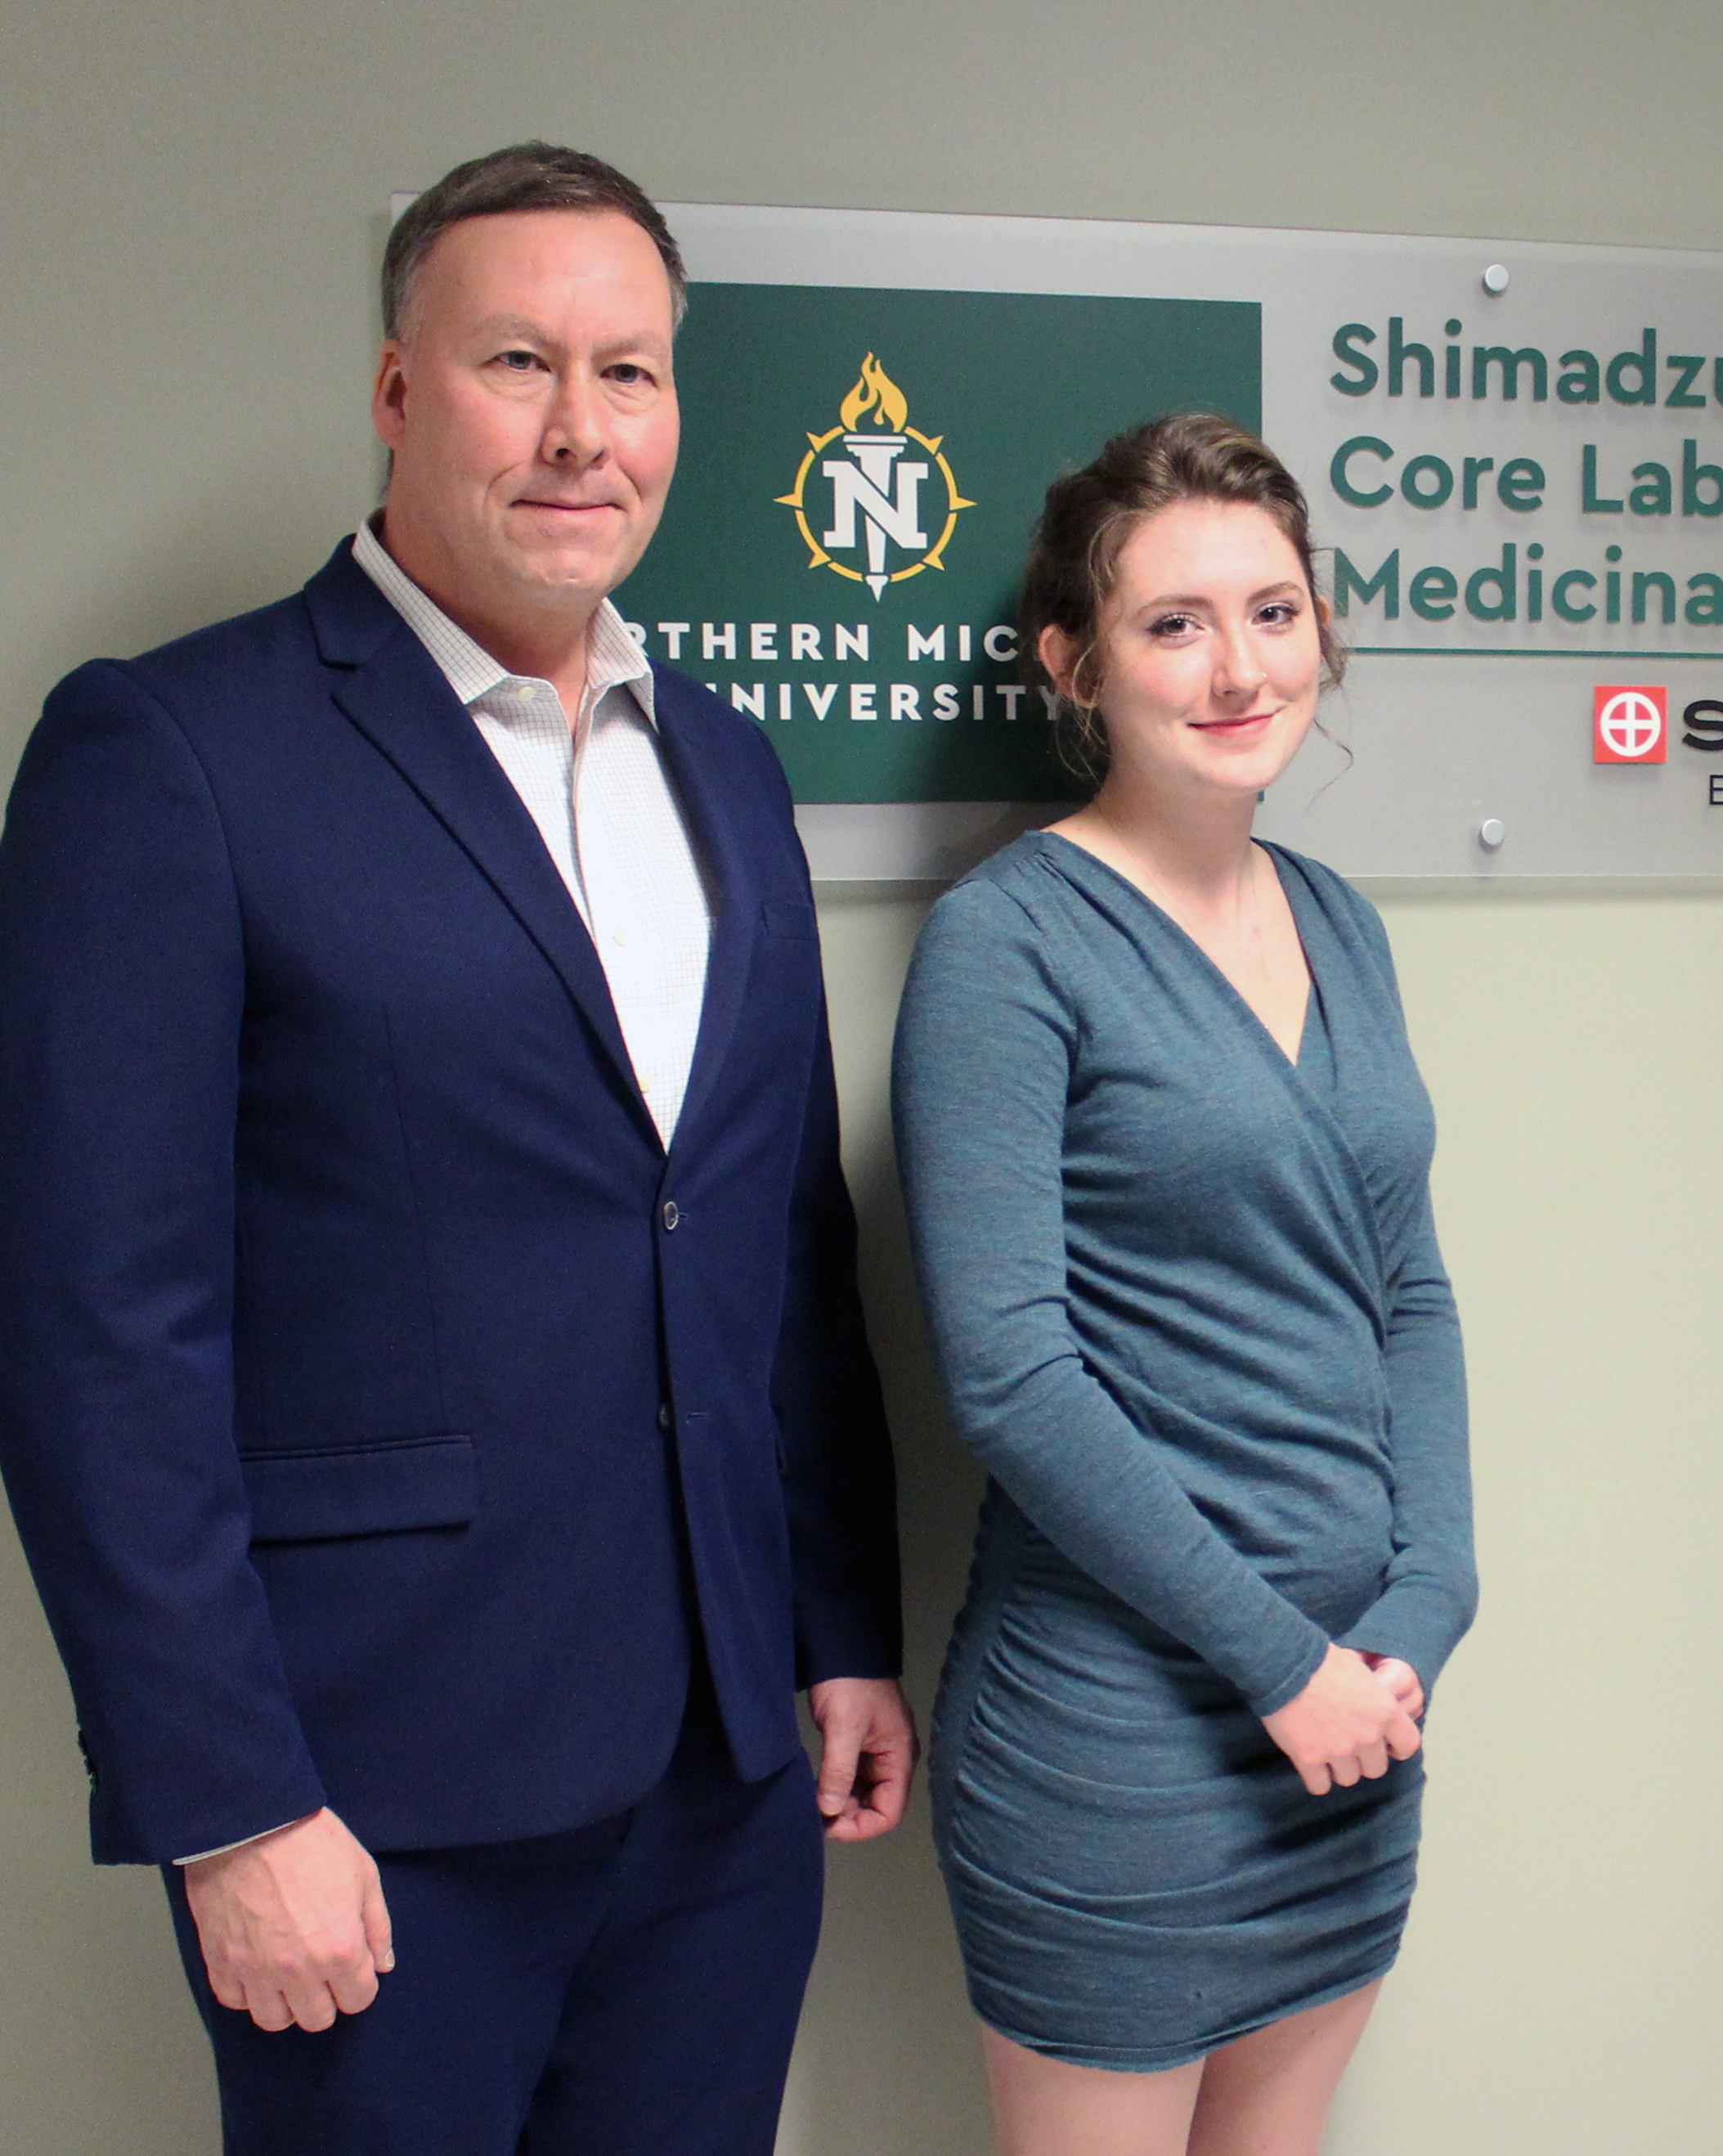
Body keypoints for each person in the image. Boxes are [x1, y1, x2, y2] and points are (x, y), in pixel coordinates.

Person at [0, 144, 910, 2154]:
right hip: (370, 1797)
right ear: (402, 392)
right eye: (519, 361)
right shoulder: (174, 751)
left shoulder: (727, 761)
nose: (585, 430)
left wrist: (840, 1629)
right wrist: (226, 1799)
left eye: (634, 371)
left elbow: (770, 1239)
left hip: (721, 1777)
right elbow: (93, 1328)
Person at [892, 411, 1474, 2156]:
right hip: (1124, 1740)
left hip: (1358, 1735)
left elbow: (1410, 1290)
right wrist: (1280, 1663)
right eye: (1173, 623)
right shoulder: (1009, 943)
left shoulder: (1342, 920)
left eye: (1274, 611)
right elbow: (1006, 1371)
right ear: (1075, 662)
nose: (1239, 667)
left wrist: (1428, 1600)